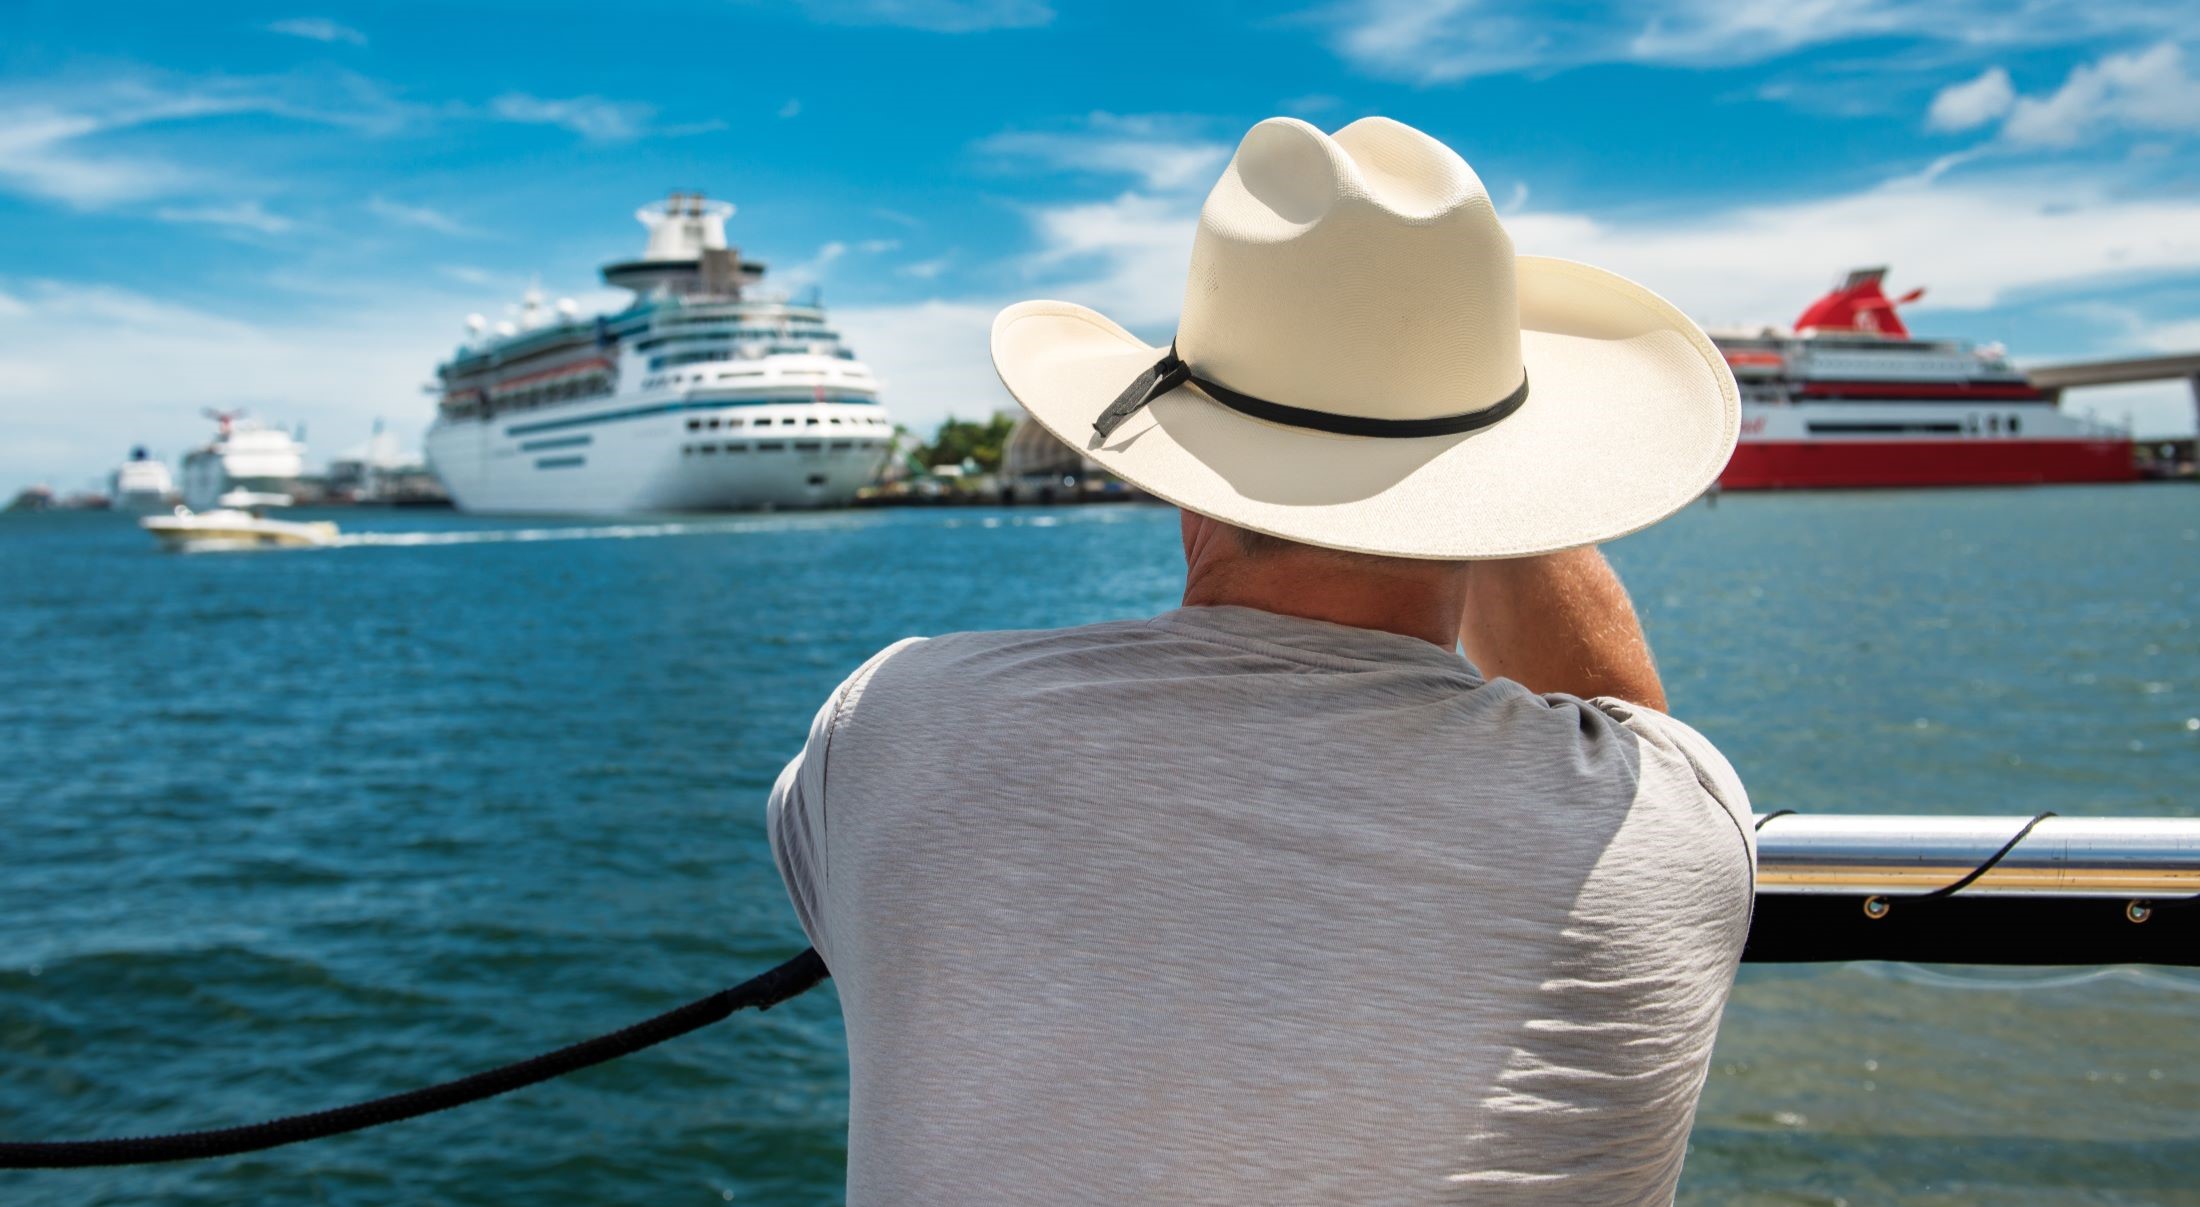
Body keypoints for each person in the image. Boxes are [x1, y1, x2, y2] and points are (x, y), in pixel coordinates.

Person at [770, 115, 1753, 1205]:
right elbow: (1627, 730)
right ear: (1506, 490)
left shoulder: (897, 723)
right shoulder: (1672, 821)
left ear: (1181, 458)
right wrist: (1478, 447)